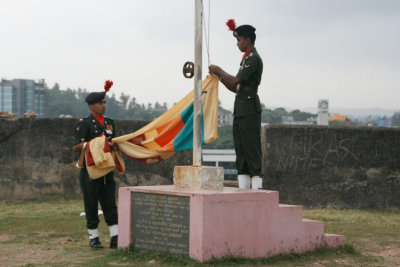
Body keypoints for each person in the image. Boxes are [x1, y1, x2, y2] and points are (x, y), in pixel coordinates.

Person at [209, 19, 263, 190]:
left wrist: (219, 70)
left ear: (248, 39)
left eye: (239, 40)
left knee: (251, 149)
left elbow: (236, 81)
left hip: (249, 109)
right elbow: (235, 86)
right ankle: (244, 188)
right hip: (241, 108)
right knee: (241, 150)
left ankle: (257, 189)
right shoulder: (246, 57)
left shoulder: (253, 58)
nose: (237, 43)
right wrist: (219, 76)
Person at [72, 80, 118, 249]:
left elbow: (114, 142)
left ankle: (115, 236)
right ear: (92, 106)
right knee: (91, 203)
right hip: (90, 170)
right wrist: (93, 144)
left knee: (110, 203)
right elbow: (76, 146)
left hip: (106, 168)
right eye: (100, 103)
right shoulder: (84, 124)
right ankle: (94, 237)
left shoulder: (110, 123)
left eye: (105, 102)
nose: (104, 105)